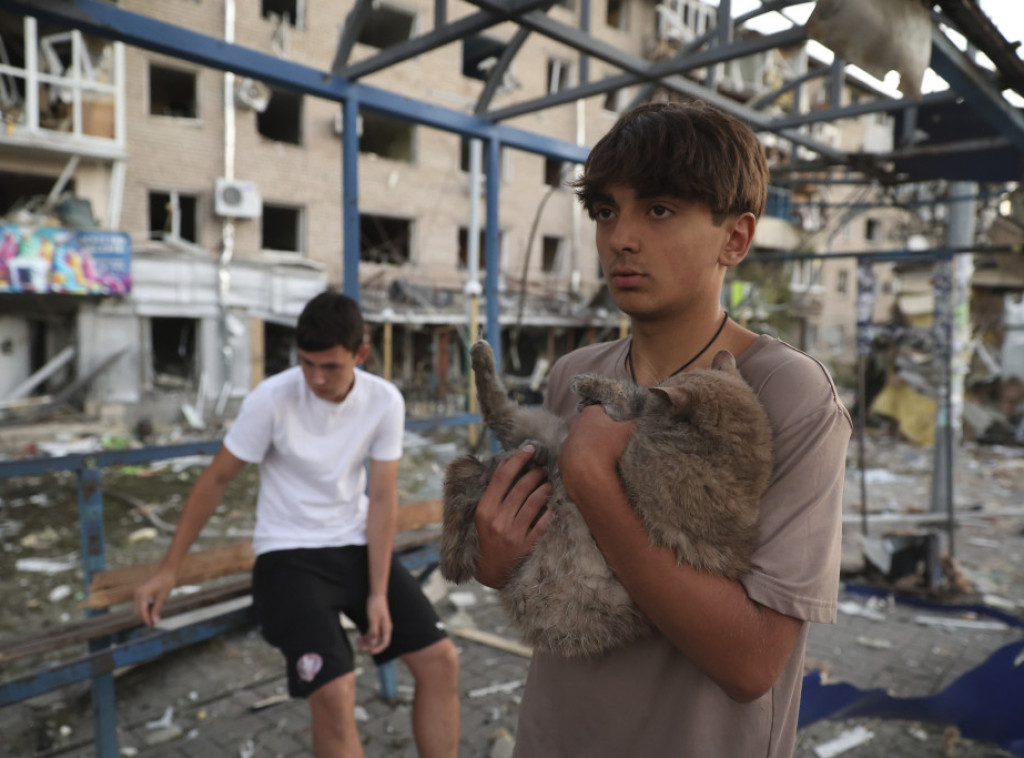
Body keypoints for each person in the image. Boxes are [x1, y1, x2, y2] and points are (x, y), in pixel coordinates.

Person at [473, 100, 853, 757]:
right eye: (605, 211)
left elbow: (752, 664)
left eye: (658, 210)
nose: (621, 236)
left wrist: (595, 483)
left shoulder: (786, 396)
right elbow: (541, 567)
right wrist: (495, 559)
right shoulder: (574, 376)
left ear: (735, 238)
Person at [134, 291, 460, 758]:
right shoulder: (272, 398)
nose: (316, 378)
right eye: (306, 363)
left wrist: (378, 593)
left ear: (360, 355)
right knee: (335, 690)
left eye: (330, 366)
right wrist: (169, 569)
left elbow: (384, 497)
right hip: (287, 558)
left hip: (353, 547)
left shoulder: (384, 400)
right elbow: (215, 482)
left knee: (441, 660)